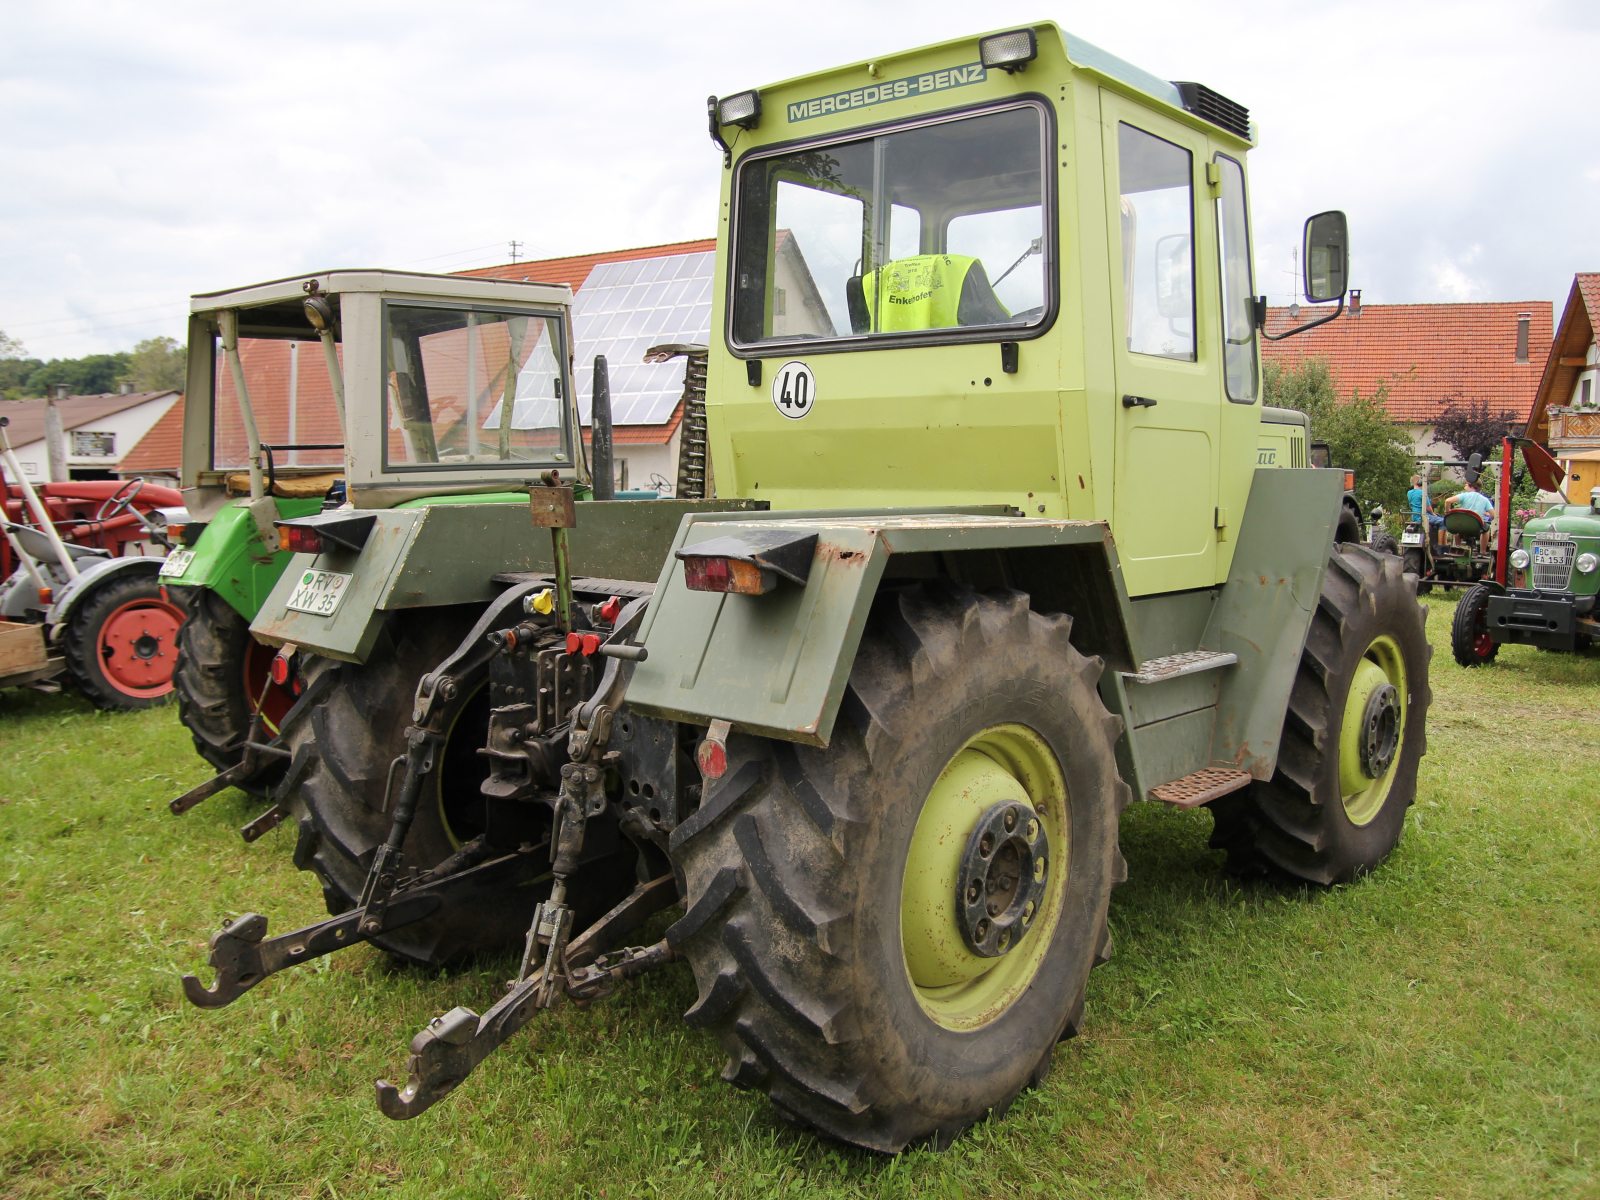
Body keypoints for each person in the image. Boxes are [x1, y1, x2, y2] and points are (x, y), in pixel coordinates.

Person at [1453, 478, 1495, 552]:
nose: (1464, 486)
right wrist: (1487, 514)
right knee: (1487, 528)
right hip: (1476, 527)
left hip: (1463, 525)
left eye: (1466, 484)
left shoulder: (1463, 495)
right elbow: (1493, 515)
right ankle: (1483, 551)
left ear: (1471, 486)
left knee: (1457, 531)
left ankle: (1458, 548)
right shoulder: (1484, 499)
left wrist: (1447, 511)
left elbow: (1448, 501)